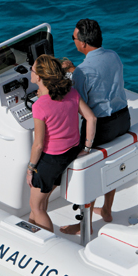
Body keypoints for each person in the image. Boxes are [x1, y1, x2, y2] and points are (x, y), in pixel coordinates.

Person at [59, 18, 131, 235]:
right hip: (123, 120)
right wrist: (75, 71)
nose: (73, 41)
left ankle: (85, 224)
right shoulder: (113, 55)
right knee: (111, 160)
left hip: (103, 127)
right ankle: (107, 210)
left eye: (73, 38)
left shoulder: (82, 71)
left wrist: (70, 76)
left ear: (82, 43)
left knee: (88, 171)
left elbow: (80, 106)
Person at [26, 55, 97, 232]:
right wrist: (87, 148)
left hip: (50, 161)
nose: (30, 72)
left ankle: (49, 242)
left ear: (39, 77)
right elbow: (91, 118)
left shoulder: (39, 106)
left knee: (36, 207)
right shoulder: (71, 93)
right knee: (41, 201)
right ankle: (31, 234)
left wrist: (30, 168)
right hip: (70, 154)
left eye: (32, 70)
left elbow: (38, 145)